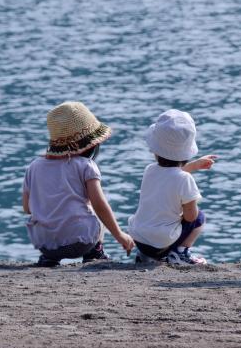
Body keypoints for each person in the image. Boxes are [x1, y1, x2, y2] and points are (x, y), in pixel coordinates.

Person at [22, 101, 135, 267]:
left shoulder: (34, 167)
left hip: (45, 244)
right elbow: (100, 205)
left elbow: (27, 208)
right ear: (90, 144)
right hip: (81, 242)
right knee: (96, 207)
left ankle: (49, 259)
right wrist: (119, 235)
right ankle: (95, 252)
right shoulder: (86, 166)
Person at [128, 109, 217, 266]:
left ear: (156, 151)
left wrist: (194, 166)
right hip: (160, 244)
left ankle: (145, 257)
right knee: (199, 218)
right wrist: (183, 211)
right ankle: (180, 254)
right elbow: (190, 217)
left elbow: (169, 178)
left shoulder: (150, 170)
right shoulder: (185, 179)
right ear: (186, 152)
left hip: (139, 239)